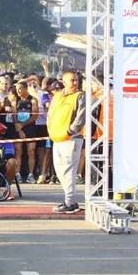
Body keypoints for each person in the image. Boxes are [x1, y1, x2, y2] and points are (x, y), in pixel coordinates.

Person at [47, 70, 87, 214]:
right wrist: (51, 130)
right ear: (63, 82)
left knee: (69, 170)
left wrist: (70, 131)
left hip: (71, 139)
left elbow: (81, 117)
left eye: (76, 80)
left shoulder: (80, 96)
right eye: (72, 80)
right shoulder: (57, 96)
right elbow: (50, 114)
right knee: (59, 170)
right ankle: (71, 200)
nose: (75, 83)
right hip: (57, 138)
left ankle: (69, 202)